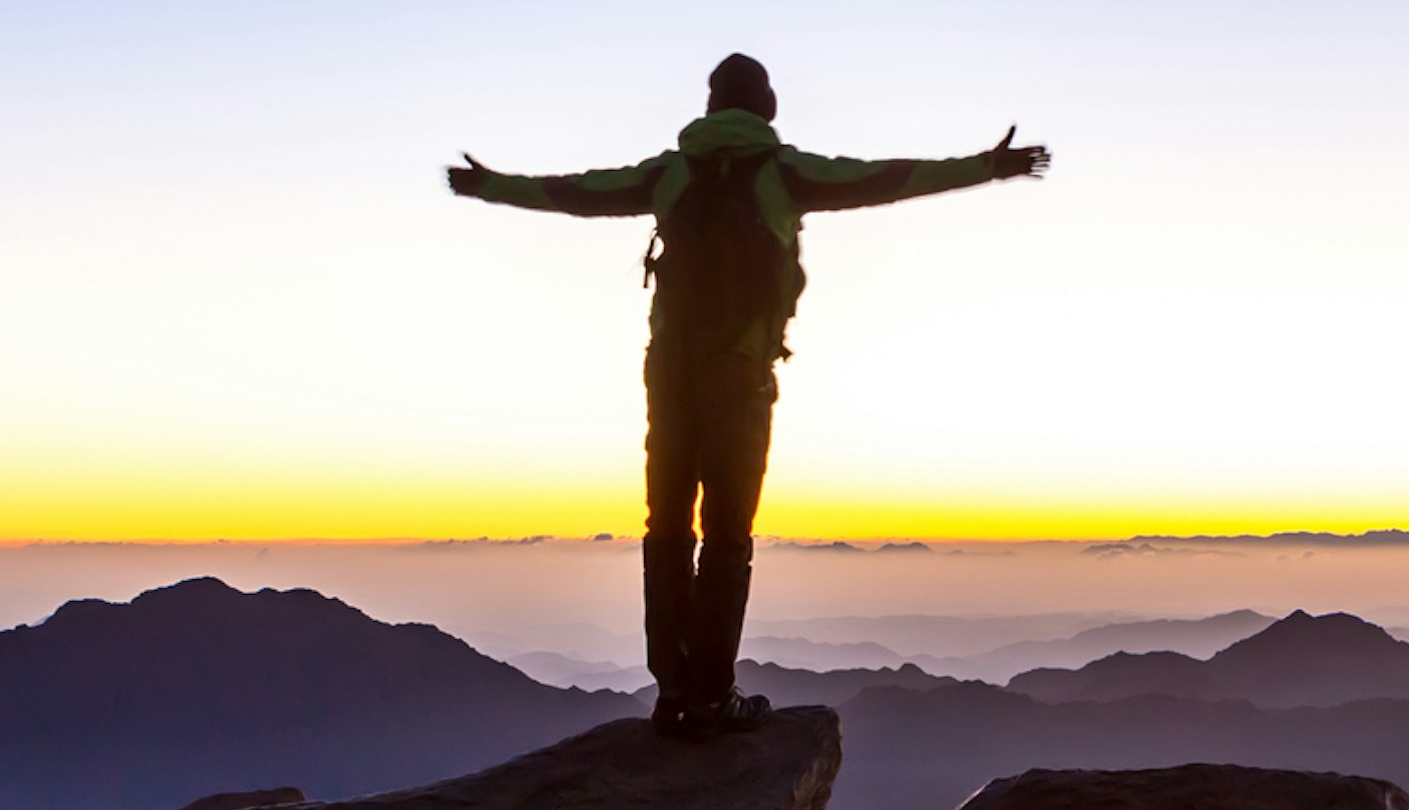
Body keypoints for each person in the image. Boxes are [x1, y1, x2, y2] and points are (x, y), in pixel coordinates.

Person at [448, 53, 1049, 738]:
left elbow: (575, 192)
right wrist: (986, 166)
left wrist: (488, 185)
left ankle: (673, 692)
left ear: (709, 109)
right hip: (739, 375)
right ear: (767, 110)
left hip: (668, 373)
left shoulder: (672, 173)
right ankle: (713, 693)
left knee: (667, 527)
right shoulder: (784, 172)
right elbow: (887, 179)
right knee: (728, 535)